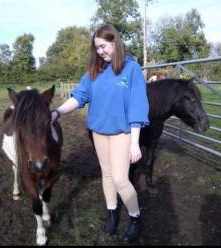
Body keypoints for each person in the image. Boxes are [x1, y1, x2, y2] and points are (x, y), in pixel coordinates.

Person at [50, 24, 148, 243]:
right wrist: (57, 113)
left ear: (115, 42)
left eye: (103, 46)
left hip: (122, 132)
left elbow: (137, 106)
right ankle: (112, 212)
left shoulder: (131, 69)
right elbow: (79, 97)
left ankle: (135, 218)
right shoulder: (94, 73)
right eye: (97, 48)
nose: (100, 51)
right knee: (107, 174)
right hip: (99, 132)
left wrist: (134, 142)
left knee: (120, 178)